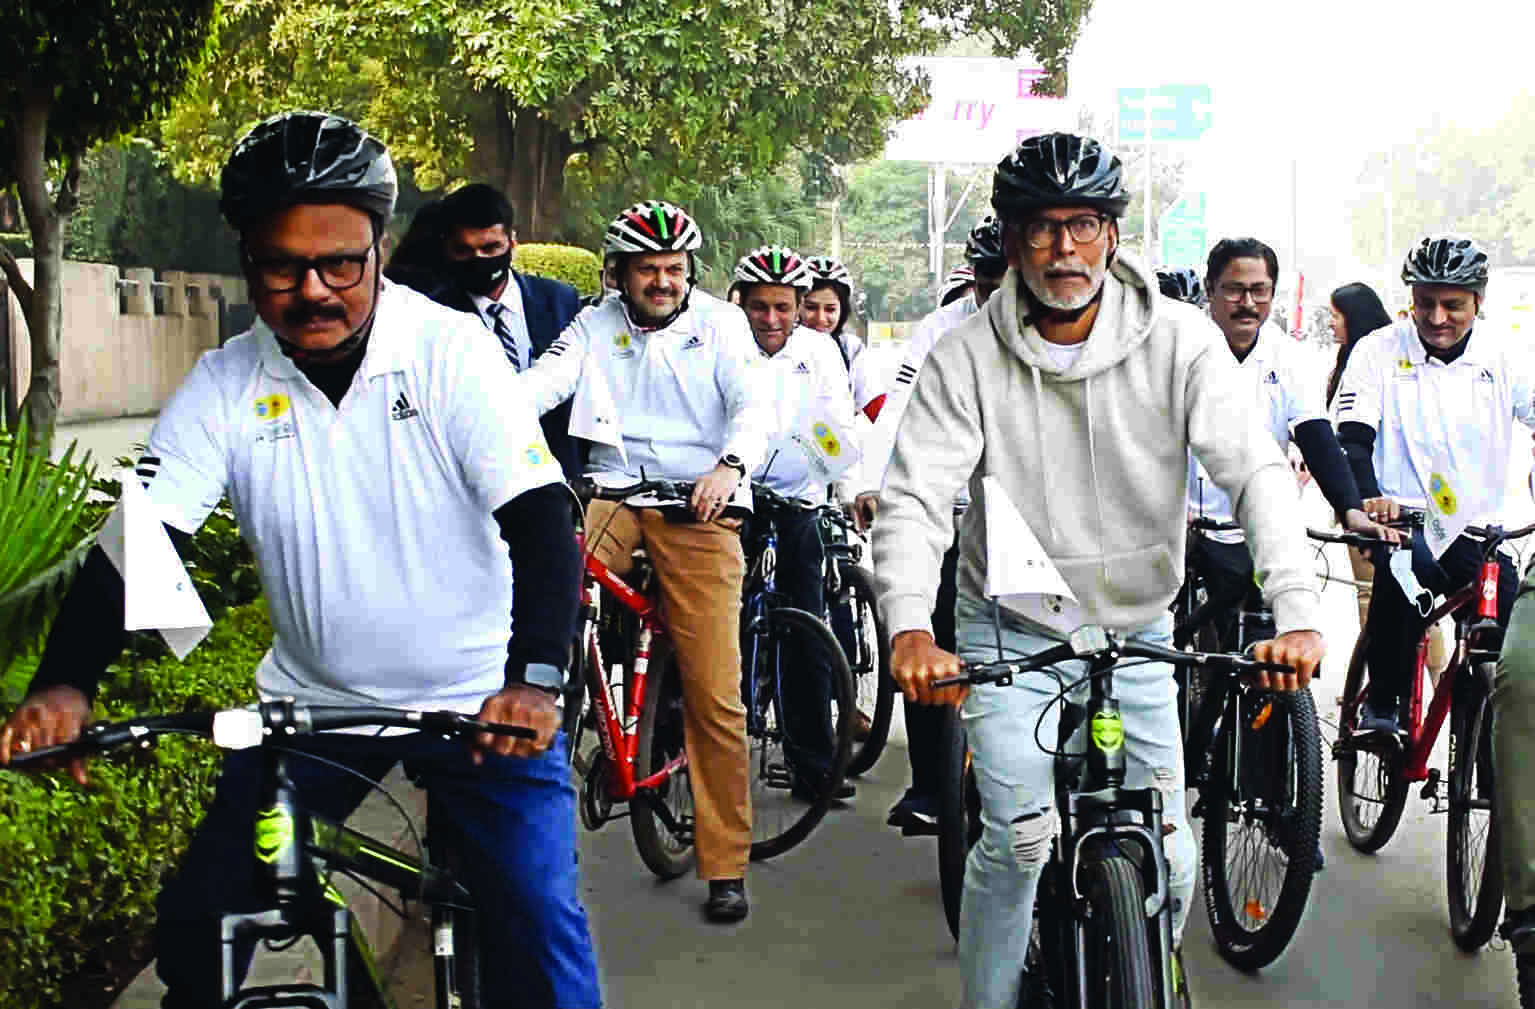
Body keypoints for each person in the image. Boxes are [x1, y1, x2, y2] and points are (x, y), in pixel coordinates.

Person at [0, 111, 601, 1008]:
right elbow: (140, 542)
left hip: (477, 701)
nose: (313, 290)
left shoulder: (450, 355)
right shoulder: (225, 384)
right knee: (194, 932)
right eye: (283, 265)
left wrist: (535, 681)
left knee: (537, 926)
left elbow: (542, 520)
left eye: (341, 264)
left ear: (382, 250)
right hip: (310, 710)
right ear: (249, 260)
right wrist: (64, 683)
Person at [874, 131, 1325, 1009]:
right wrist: (907, 628)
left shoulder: (1180, 342)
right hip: (1012, 627)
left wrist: (1297, 610)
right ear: (1010, 243)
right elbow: (916, 496)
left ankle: (1152, 979)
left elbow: (1254, 473)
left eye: (1083, 224)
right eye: (1040, 229)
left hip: (1137, 627)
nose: (1063, 249)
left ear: (1114, 236)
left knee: (1177, 849)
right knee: (1019, 837)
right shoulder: (963, 355)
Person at [519, 199, 772, 924]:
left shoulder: (721, 326)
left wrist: (729, 466)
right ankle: (580, 691)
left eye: (673, 268)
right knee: (548, 584)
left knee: (714, 692)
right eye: (646, 269)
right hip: (613, 492)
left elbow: (755, 406)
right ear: (617, 274)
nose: (661, 281)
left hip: (698, 503)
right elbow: (540, 384)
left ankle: (725, 863)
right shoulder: (594, 324)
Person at [1336, 234, 1532, 734]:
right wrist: (1367, 496)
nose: (1438, 318)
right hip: (1403, 523)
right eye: (1426, 303)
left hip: (1477, 529)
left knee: (1508, 644)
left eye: (1453, 305)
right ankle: (1382, 703)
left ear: (1478, 303)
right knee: (1405, 580)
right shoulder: (1376, 350)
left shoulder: (1506, 355)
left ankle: (1485, 759)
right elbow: (1354, 439)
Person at [862, 214, 1010, 837]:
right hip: (950, 512)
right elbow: (898, 408)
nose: (996, 294)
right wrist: (870, 478)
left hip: (1026, 523)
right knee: (928, 640)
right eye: (985, 280)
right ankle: (930, 785)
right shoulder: (940, 331)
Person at [1187, 238, 1389, 652]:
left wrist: (1350, 510)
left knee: (1259, 644)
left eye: (1259, 291)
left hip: (1253, 522)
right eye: (1234, 290)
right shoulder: (1183, 347)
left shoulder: (1288, 357)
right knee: (1169, 651)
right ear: (1210, 290)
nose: (1247, 303)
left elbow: (1317, 438)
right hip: (1183, 521)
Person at [734, 244, 860, 800]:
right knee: (712, 632)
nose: (772, 320)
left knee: (806, 631)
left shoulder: (821, 352)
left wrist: (848, 488)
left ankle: (813, 763)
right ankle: (679, 757)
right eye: (760, 307)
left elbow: (839, 426)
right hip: (730, 502)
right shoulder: (721, 340)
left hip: (797, 502)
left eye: (784, 307)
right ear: (740, 303)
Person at [418, 183, 585, 479]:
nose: (479, 259)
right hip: (476, 479)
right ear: (447, 249)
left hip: (558, 477)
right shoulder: (431, 317)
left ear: (512, 242)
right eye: (464, 251)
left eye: (490, 248)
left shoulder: (561, 301)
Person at [802, 255, 882, 418]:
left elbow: (875, 404)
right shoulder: (778, 345)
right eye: (811, 307)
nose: (820, 318)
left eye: (830, 309)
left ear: (842, 310)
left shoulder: (850, 348)